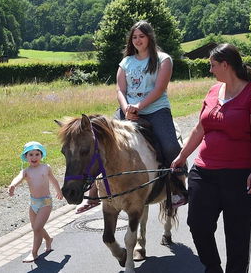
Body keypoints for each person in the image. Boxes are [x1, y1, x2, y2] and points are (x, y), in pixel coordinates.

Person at [171, 43, 251, 273]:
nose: (210, 70)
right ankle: (213, 268)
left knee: (237, 233)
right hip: (204, 171)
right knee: (197, 224)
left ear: (225, 65)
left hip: (240, 174)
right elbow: (199, 129)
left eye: (213, 65)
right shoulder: (213, 91)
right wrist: (181, 156)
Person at [76, 20, 185, 213]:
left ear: (149, 37)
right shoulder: (126, 62)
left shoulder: (163, 59)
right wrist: (127, 107)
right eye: (134, 37)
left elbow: (160, 89)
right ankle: (93, 195)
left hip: (156, 110)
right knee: (101, 143)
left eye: (141, 36)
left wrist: (139, 106)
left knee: (170, 146)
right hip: (126, 109)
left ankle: (177, 187)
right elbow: (120, 89)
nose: (137, 40)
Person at [8, 141, 63, 263]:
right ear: (26, 157)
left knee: (37, 228)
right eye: (31, 155)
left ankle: (34, 253)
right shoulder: (26, 171)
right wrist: (13, 185)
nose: (34, 157)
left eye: (37, 154)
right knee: (36, 227)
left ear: (41, 155)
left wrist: (59, 191)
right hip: (33, 203)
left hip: (46, 202)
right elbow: (18, 177)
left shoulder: (46, 168)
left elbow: (53, 180)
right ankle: (48, 239)